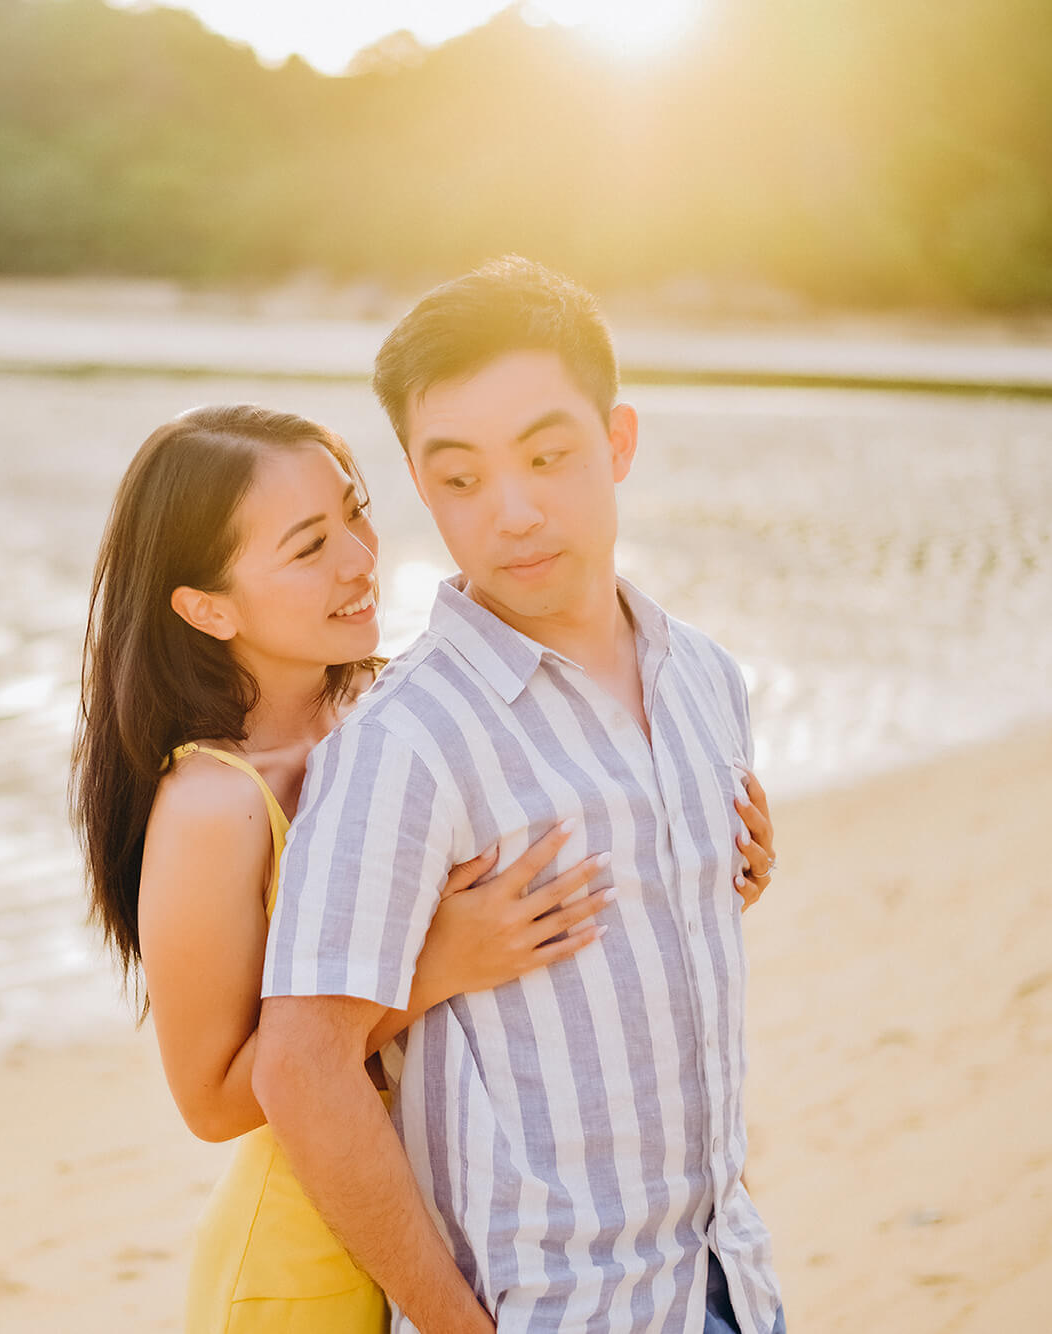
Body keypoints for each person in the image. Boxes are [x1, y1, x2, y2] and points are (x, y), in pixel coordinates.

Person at [72, 404, 780, 1332]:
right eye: (308, 546)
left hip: (459, 1222)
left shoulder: (387, 724)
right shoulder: (215, 804)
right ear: (207, 606)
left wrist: (708, 849)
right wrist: (432, 968)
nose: (360, 559)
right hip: (312, 1260)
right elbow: (209, 1100)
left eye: (355, 514)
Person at [253, 257, 787, 1334]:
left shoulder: (705, 682)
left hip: (726, 1280)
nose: (511, 511)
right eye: (457, 480)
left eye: (547, 456)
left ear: (617, 442)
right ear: (418, 482)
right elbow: (300, 1067)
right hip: (549, 1311)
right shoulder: (405, 742)